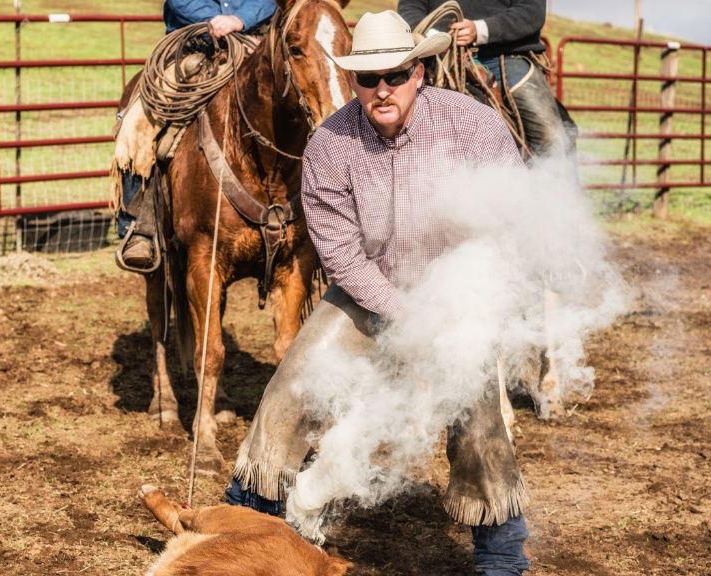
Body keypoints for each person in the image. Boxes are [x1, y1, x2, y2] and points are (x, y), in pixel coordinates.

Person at [223, 11, 531, 576]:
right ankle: (247, 515)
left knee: (478, 405)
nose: (381, 88)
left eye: (394, 73)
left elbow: (508, 218)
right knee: (296, 380)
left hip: (457, 293)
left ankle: (501, 551)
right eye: (368, 78)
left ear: (419, 72)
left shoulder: (476, 127)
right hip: (369, 290)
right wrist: (404, 310)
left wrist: (464, 304)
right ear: (355, 81)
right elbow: (341, 254)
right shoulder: (329, 144)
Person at [116, 0, 278, 271]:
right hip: (192, 46)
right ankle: (139, 226)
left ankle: (321, 218)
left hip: (251, 41)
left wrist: (240, 19)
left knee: (295, 101)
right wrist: (216, 20)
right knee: (139, 120)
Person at [398, 0, 576, 160]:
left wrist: (480, 30)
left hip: (504, 56)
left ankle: (559, 191)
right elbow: (409, 8)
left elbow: (531, 11)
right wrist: (438, 38)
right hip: (436, 56)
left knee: (552, 137)